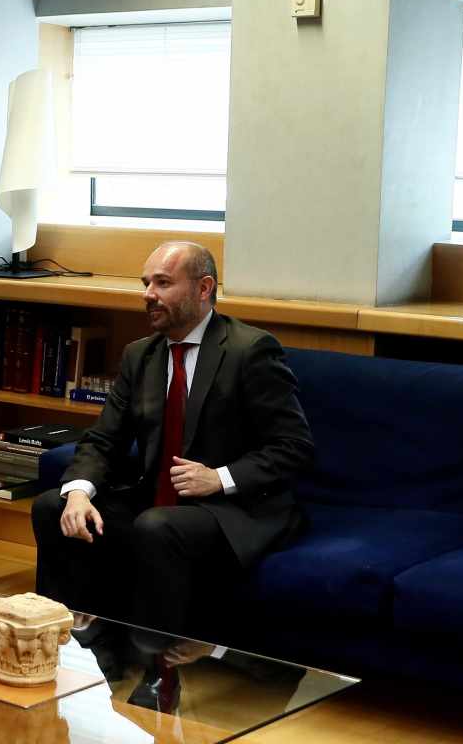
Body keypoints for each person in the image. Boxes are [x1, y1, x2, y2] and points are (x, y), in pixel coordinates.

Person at [31, 240, 314, 636]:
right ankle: (69, 646)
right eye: (146, 283)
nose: (149, 295)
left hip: (233, 508)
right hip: (157, 499)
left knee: (156, 527)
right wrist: (78, 492)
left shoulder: (249, 351)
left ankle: (156, 664)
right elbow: (103, 439)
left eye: (163, 283)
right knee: (52, 506)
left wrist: (220, 477)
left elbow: (295, 446)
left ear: (204, 288)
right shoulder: (140, 355)